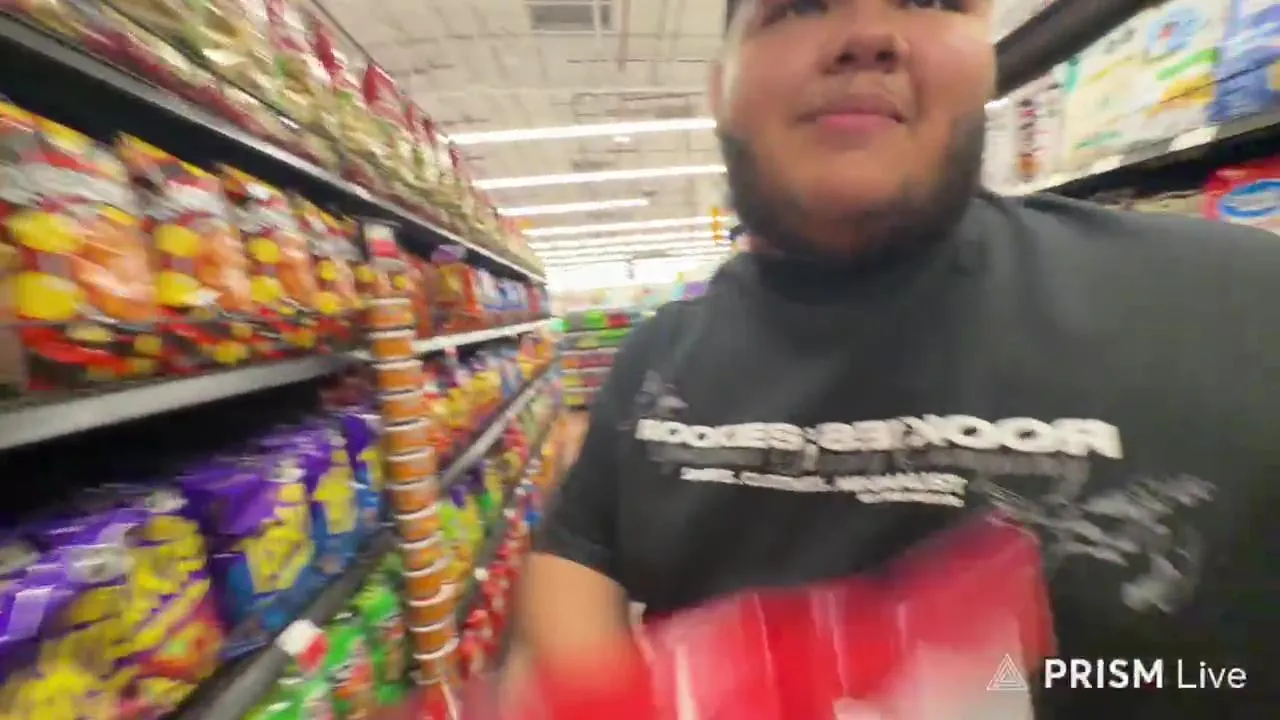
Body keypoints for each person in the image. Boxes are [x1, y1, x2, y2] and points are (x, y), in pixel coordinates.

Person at [518, 0, 1278, 716]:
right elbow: (581, 551)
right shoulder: (655, 358)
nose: (869, 34)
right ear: (721, 90)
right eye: (801, 3)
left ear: (985, 62)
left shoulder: (1241, 307)